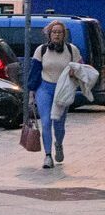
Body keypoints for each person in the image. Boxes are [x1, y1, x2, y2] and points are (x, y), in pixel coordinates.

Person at [27, 20, 80, 169]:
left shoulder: (71, 50)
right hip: (44, 88)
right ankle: (48, 156)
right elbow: (35, 71)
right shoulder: (41, 50)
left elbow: (80, 67)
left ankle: (59, 144)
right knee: (45, 122)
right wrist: (31, 92)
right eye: (54, 32)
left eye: (59, 32)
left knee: (59, 124)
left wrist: (74, 72)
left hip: (62, 90)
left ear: (64, 35)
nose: (57, 35)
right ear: (49, 34)